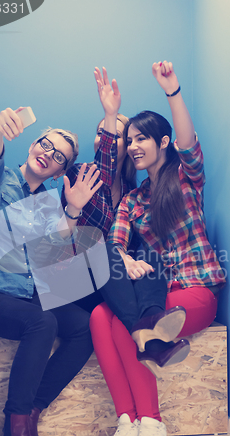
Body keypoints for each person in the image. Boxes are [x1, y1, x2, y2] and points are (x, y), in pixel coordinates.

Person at [90, 60, 226, 436]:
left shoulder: (186, 176)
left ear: (161, 141)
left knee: (126, 318)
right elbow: (113, 243)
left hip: (196, 290)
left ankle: (152, 425)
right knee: (100, 313)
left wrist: (172, 91)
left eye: (141, 138)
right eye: (128, 140)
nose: (132, 146)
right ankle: (127, 421)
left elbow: (188, 143)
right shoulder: (132, 201)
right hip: (157, 292)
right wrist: (126, 259)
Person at [0, 107, 104, 436]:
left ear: (60, 171)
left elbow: (55, 264)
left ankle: (31, 413)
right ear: (32, 145)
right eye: (45, 144)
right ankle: (13, 433)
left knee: (83, 326)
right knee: (43, 323)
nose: (48, 153)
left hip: (27, 295)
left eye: (59, 156)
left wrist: (72, 211)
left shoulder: (48, 205)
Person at [61, 67, 138, 312]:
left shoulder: (130, 191)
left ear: (128, 147)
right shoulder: (80, 174)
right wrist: (110, 113)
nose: (103, 139)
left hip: (110, 283)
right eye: (100, 133)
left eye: (116, 136)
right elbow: (104, 169)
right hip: (73, 280)